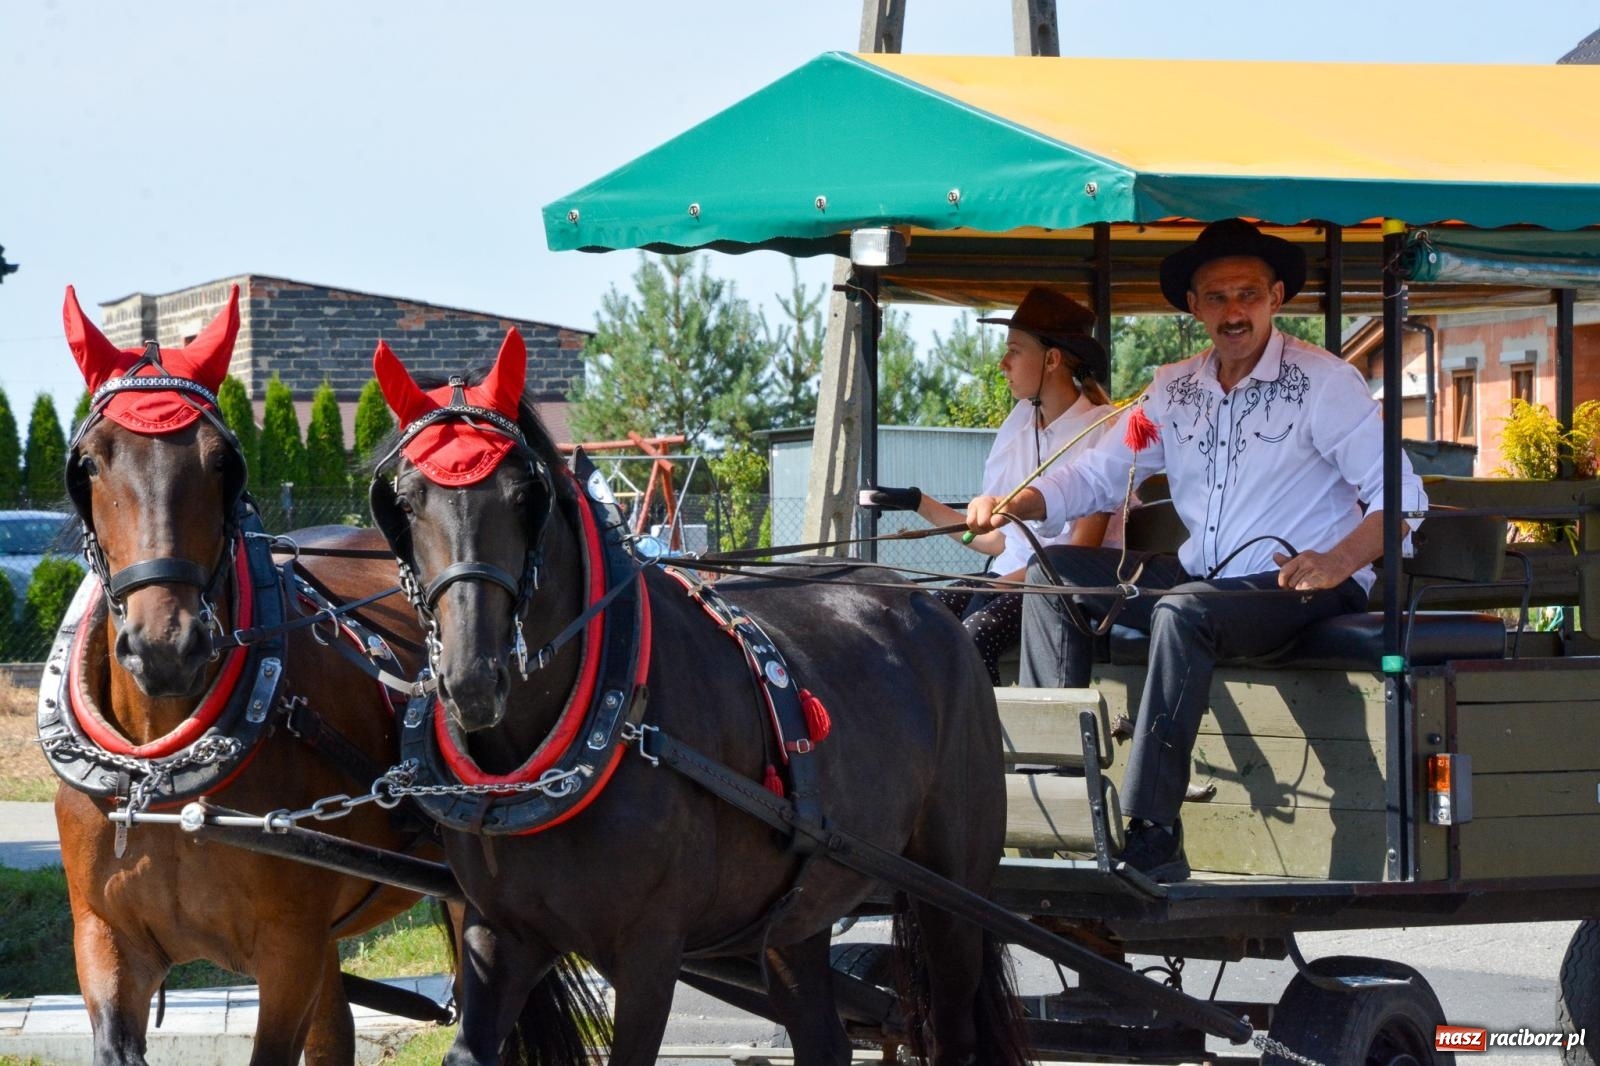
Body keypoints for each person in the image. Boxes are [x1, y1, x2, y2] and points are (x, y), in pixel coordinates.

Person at [964, 219, 1427, 882]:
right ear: (1194, 306)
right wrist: (1020, 502)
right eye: (1216, 297)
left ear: (1276, 298)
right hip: (1205, 582)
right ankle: (1054, 790)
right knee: (1055, 572)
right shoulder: (1174, 387)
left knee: (1183, 610)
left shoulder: (1325, 382)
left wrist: (1337, 560)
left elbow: (1403, 497)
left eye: (1248, 294)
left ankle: (1153, 831)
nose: (1233, 311)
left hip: (1299, 586)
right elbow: (1096, 474)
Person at [864, 287, 1120, 684]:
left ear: (1052, 359)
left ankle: (989, 725)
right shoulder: (1018, 423)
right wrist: (918, 502)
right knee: (920, 623)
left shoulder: (1102, 431)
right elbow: (997, 541)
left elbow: (1078, 555)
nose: (1003, 363)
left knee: (974, 633)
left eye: (1014, 350)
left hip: (1061, 594)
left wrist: (994, 585)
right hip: (1006, 582)